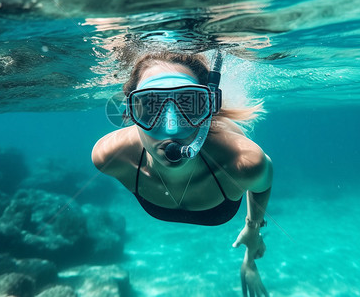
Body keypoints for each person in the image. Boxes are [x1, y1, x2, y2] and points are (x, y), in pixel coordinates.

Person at [92, 51, 273, 297]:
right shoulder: (111, 157)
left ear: (208, 110)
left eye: (190, 105)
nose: (172, 128)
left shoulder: (243, 161)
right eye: (149, 106)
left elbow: (261, 183)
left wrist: (253, 230)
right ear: (131, 114)